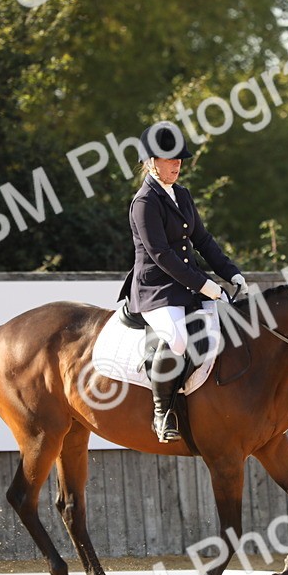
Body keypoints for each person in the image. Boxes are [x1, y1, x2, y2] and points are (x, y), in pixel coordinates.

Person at [117, 121, 245, 442]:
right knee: (176, 339)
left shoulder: (182, 195)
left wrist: (231, 272)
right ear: (151, 162)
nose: (177, 164)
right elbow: (161, 254)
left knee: (228, 323)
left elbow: (202, 240)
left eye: (179, 159)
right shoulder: (144, 202)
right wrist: (205, 285)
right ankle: (162, 413)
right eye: (170, 159)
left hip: (186, 286)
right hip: (156, 290)